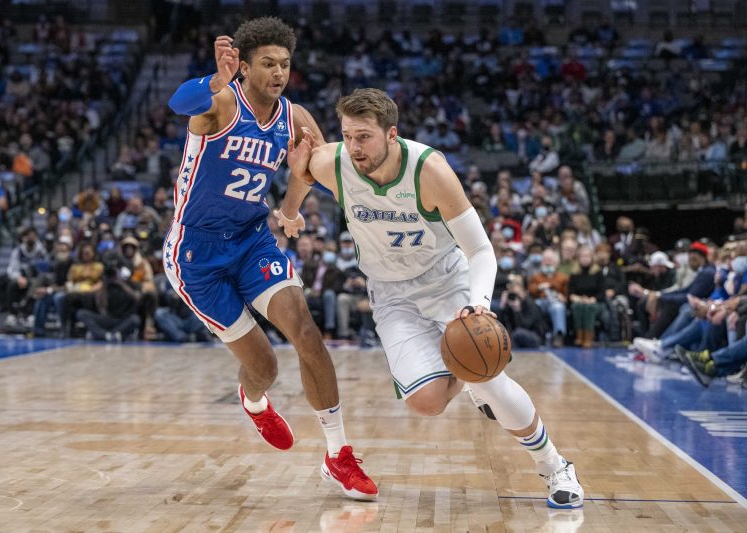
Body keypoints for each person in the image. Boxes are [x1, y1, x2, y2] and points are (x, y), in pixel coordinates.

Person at [278, 88, 583, 509]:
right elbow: (303, 171)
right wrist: (291, 212)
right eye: (347, 136)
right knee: (426, 403)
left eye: (364, 137)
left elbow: (480, 251)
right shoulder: (335, 162)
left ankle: (555, 466)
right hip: (389, 292)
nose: (354, 147)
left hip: (446, 283)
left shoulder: (430, 171)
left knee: (491, 380)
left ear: (392, 135)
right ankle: (467, 378)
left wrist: (479, 304)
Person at [166, 17, 376, 500]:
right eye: (267, 63)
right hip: (195, 253)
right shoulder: (220, 102)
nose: (278, 72)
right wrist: (215, 80)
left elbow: (312, 165)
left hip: (251, 239)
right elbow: (180, 104)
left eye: (284, 64)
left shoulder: (294, 116)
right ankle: (255, 401)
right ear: (244, 66)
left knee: (305, 331)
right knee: (264, 368)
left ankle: (337, 454)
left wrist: (288, 209)